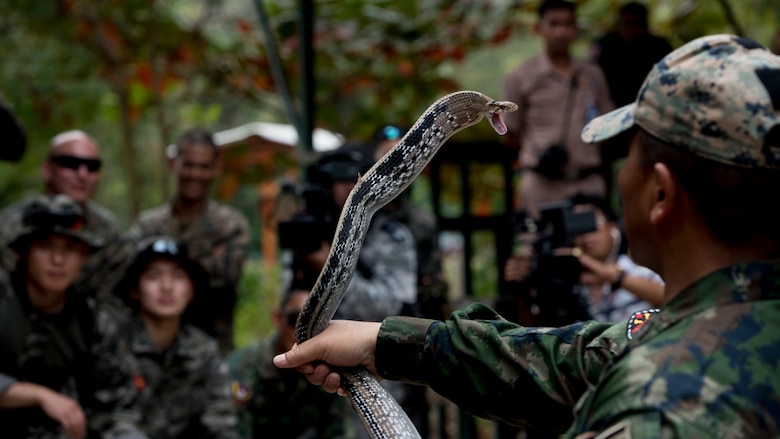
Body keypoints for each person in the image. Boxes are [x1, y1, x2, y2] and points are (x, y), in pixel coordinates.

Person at [274, 35, 780, 437]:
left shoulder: (662, 407)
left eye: (628, 154)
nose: (616, 177)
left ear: (661, 193)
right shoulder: (722, 321)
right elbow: (577, 360)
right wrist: (385, 342)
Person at [281, 144, 417, 438]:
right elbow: (289, 302)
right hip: (316, 378)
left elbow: (391, 306)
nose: (344, 189)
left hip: (374, 373)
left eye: (352, 180)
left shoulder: (390, 236)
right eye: (337, 180)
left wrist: (328, 268)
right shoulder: (309, 232)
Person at [0, 194, 138, 439]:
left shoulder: (92, 321)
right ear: (24, 252)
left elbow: (115, 406)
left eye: (71, 249)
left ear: (84, 256)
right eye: (45, 247)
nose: (58, 260)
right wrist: (37, 395)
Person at [124, 128, 251, 357]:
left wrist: (159, 267)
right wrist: (205, 259)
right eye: (189, 165)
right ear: (173, 163)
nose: (195, 174)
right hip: (149, 353)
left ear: (216, 167)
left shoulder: (230, 225)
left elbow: (225, 278)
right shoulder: (148, 225)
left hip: (214, 352)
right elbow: (129, 280)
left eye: (204, 167)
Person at [98, 236, 238, 438]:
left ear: (191, 290)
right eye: (153, 276)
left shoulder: (203, 350)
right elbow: (113, 420)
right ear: (134, 290)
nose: (166, 287)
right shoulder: (113, 343)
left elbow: (221, 421)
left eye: (178, 276)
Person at [502, 0, 614, 217]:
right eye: (553, 24)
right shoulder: (521, 76)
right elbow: (509, 131)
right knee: (542, 247)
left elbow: (608, 124)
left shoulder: (592, 74)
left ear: (575, 29)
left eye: (567, 24)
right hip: (542, 184)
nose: (561, 32)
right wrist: (539, 154)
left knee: (593, 247)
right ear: (540, 28)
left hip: (587, 181)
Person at [0, 130, 122, 299]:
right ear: (47, 170)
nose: (82, 174)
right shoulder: (8, 225)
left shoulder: (108, 232)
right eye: (71, 163)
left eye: (92, 166)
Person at [226, 282, 352, 438]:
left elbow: (339, 432)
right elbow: (229, 429)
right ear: (278, 319)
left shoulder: (326, 373)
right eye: (296, 320)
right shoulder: (243, 366)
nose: (302, 332)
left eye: (315, 324)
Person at [591, 2, 672, 198]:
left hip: (649, 121)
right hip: (611, 120)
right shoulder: (606, 46)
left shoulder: (658, 47)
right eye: (627, 23)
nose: (632, 30)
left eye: (637, 24)